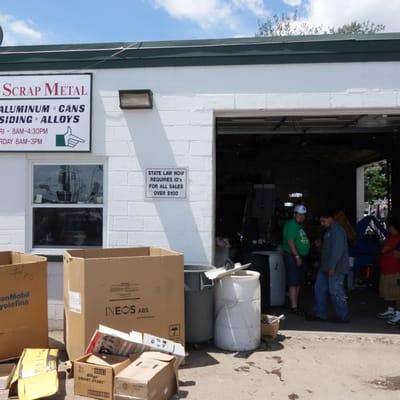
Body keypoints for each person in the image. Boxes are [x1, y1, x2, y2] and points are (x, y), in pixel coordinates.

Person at [308, 209, 350, 322]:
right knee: (319, 288)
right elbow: (328, 249)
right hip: (325, 266)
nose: (322, 224)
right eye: (321, 221)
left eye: (323, 221)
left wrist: (332, 266)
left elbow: (337, 251)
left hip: (335, 267)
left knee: (335, 290)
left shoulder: (338, 231)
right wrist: (320, 246)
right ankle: (320, 313)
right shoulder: (328, 231)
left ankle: (343, 316)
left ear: (331, 219)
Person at [282, 204, 310, 314]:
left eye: (303, 215)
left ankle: (296, 305)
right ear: (294, 214)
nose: (302, 217)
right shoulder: (292, 225)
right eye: (299, 215)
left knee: (298, 281)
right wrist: (297, 256)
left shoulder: (299, 226)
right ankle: (293, 307)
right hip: (293, 256)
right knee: (293, 282)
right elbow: (290, 242)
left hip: (299, 257)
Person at [377, 217, 400, 325]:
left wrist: (383, 245)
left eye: (389, 226)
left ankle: (398, 314)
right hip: (387, 270)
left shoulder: (396, 238)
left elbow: (383, 249)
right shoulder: (391, 238)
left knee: (397, 294)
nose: (387, 228)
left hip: (395, 271)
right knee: (389, 293)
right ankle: (391, 310)